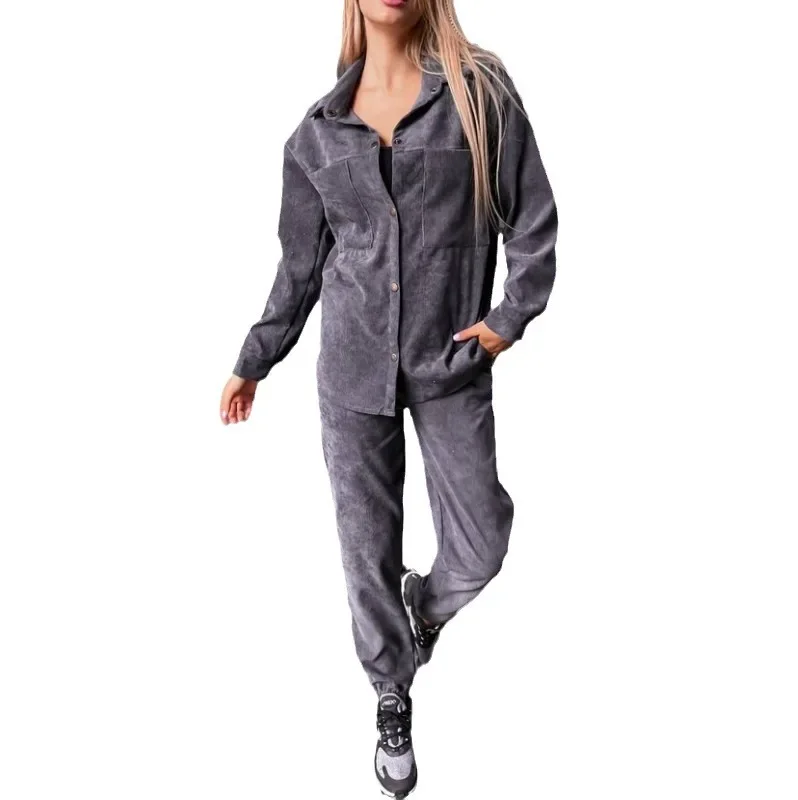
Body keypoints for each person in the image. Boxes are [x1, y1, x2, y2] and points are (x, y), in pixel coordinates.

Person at [219, 0, 557, 795]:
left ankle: (425, 611)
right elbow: (299, 270)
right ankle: (390, 689)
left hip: (450, 362)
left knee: (482, 542)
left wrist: (506, 321)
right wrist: (255, 359)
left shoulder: (479, 92)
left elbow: (533, 219)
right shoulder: (315, 136)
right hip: (352, 368)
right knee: (365, 550)